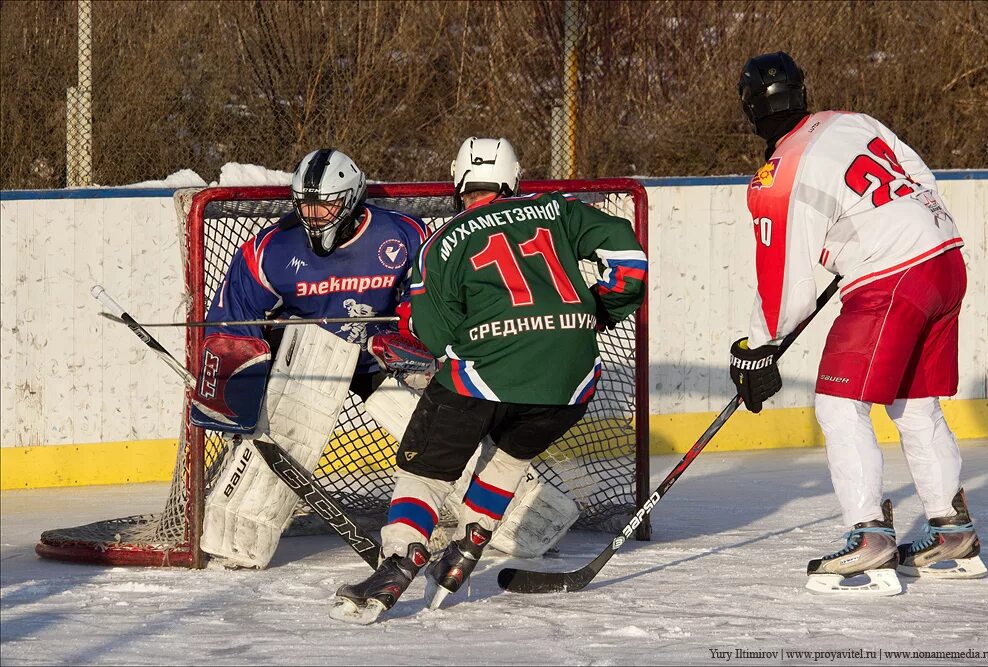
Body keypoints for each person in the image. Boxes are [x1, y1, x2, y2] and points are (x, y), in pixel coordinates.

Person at [331, 137, 647, 623]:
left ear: (459, 185)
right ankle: (469, 545)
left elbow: (432, 333)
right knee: (511, 454)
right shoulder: (556, 209)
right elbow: (628, 258)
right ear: (514, 179)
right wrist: (598, 311)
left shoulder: (445, 239)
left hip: (487, 372)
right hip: (573, 380)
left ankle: (398, 561)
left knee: (425, 467)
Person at [728, 52, 986, 596]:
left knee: (840, 404)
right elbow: (918, 176)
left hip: (891, 279)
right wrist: (876, 236)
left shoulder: (775, 175)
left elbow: (782, 279)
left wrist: (757, 346)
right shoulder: (851, 121)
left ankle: (870, 539)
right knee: (914, 406)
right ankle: (953, 532)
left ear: (751, 108)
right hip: (944, 258)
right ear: (801, 93)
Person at [189, 148, 433, 568]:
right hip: (309, 363)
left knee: (439, 429)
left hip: (379, 359)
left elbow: (432, 304)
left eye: (326, 203)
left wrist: (411, 341)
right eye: (306, 204)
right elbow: (233, 323)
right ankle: (239, 534)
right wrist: (237, 385)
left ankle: (497, 517)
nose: (315, 214)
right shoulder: (271, 249)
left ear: (353, 198)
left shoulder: (405, 234)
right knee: (281, 432)